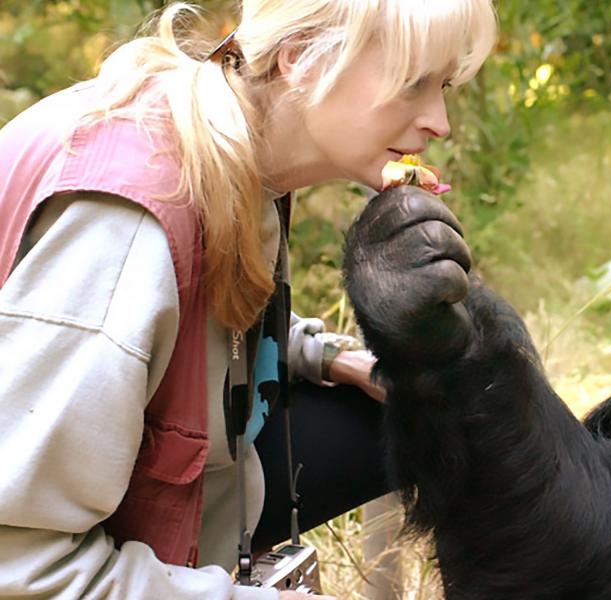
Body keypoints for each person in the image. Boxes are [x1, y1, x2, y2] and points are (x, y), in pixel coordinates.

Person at [0, 0, 495, 598]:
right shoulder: (128, 227)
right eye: (413, 82)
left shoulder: (228, 140)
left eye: (441, 85)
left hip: (177, 496)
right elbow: (19, 564)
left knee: (416, 408)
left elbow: (182, 328)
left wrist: (324, 354)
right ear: (300, 58)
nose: (440, 121)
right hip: (40, 550)